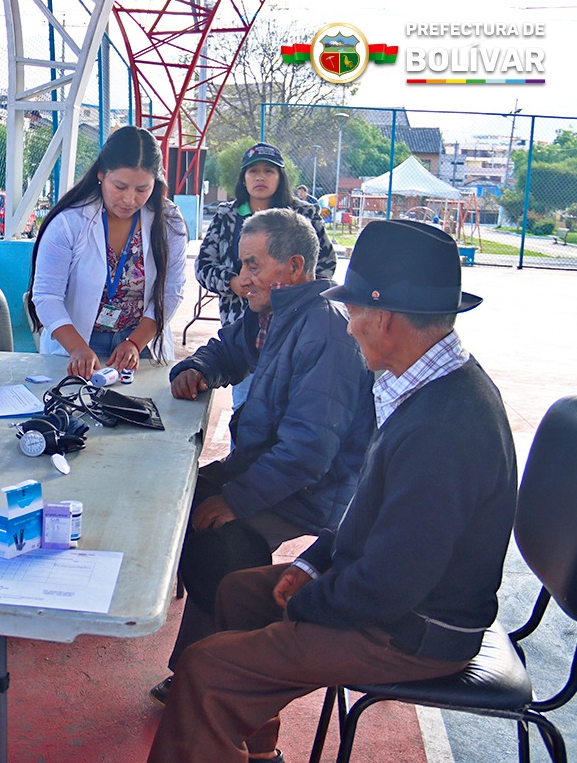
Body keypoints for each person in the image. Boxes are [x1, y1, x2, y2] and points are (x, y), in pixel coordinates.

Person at [147, 219, 517, 763]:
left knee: (208, 671)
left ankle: (222, 721)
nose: (350, 328)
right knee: (238, 594)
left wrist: (308, 598)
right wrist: (315, 564)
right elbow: (370, 519)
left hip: (415, 632)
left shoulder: (445, 428)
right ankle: (256, 751)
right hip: (396, 597)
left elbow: (390, 585)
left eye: (358, 314)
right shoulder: (424, 384)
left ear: (385, 319)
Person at [150, 208, 374, 704]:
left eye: (253, 266)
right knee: (183, 497)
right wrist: (196, 369)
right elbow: (224, 350)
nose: (239, 281)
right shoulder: (272, 316)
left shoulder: (326, 330)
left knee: (222, 535)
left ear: (294, 268)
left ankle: (226, 673)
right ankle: (204, 661)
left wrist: (238, 499)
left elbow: (309, 451)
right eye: (241, 266)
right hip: (269, 465)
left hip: (315, 488)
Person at [28, 125, 187, 379]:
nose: (129, 199)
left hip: (141, 342)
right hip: (78, 341)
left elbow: (171, 291)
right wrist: (78, 348)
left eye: (142, 189)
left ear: (155, 183)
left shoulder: (169, 222)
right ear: (101, 173)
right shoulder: (69, 221)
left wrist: (135, 343)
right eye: (120, 186)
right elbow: (47, 296)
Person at [196, 143, 337, 417]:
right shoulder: (227, 215)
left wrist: (291, 294)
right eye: (253, 171)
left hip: (294, 330)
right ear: (243, 178)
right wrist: (232, 283)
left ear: (280, 177)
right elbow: (203, 266)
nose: (260, 177)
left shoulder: (304, 215)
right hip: (243, 332)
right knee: (247, 411)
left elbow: (327, 264)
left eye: (268, 171)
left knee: (296, 413)